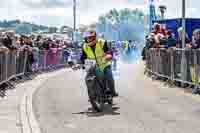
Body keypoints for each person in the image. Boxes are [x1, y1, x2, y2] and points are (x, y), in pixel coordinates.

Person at [80, 30, 118, 97]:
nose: (88, 39)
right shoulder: (85, 46)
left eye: (90, 38)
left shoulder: (102, 42)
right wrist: (79, 64)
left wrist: (108, 56)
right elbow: (83, 57)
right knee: (87, 78)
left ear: (94, 37)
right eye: (87, 38)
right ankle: (92, 94)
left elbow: (109, 52)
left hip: (104, 64)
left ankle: (113, 91)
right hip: (92, 66)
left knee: (109, 76)